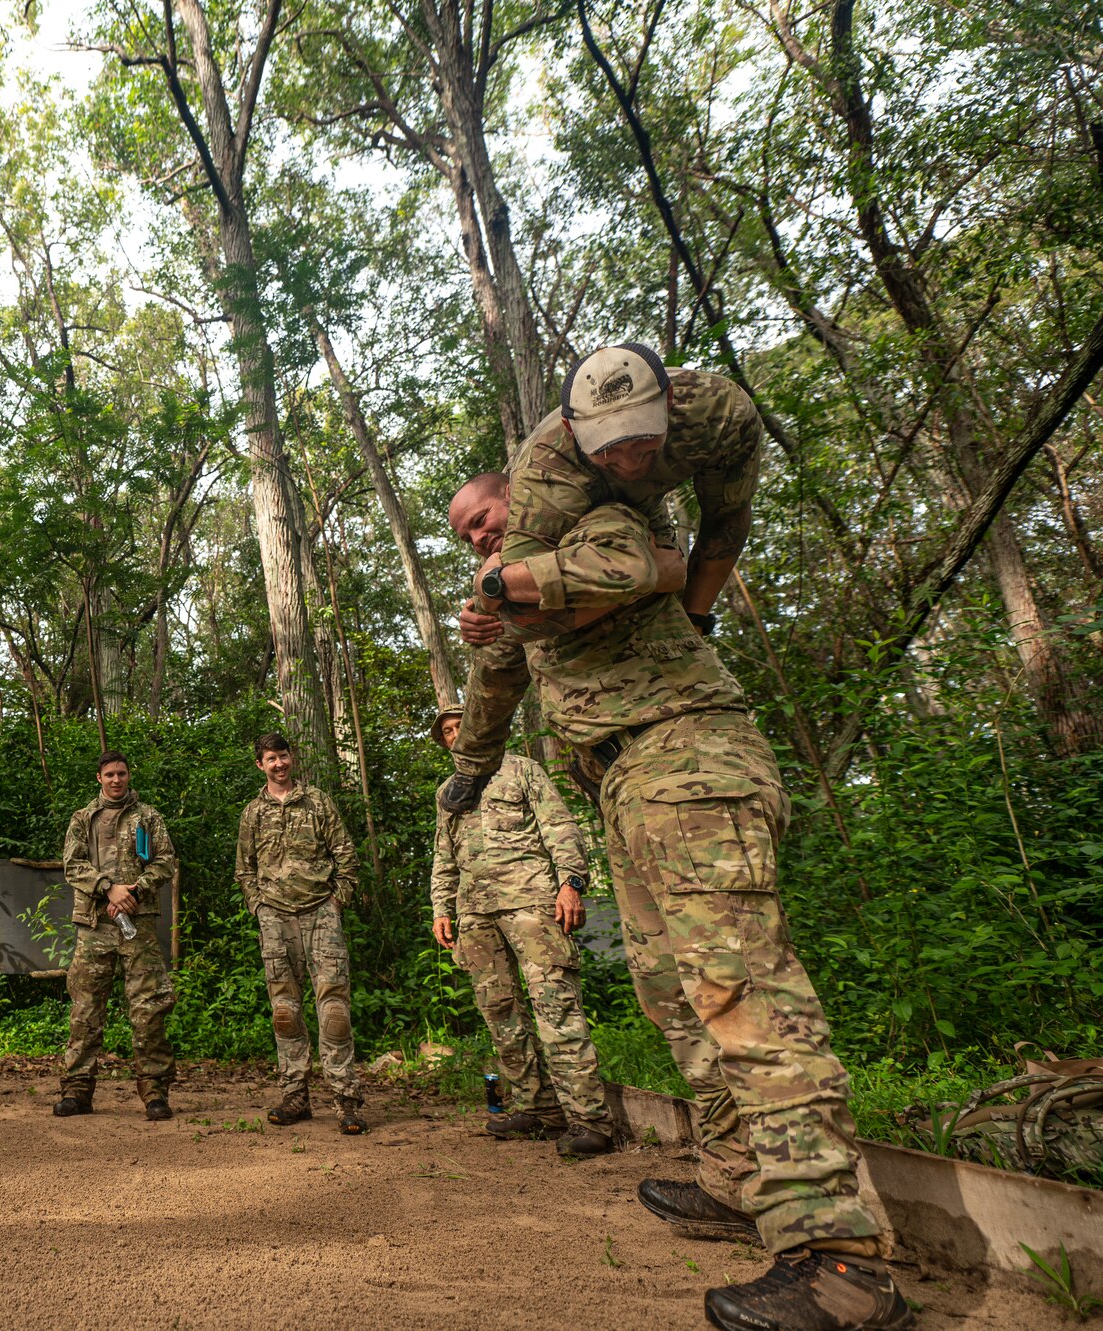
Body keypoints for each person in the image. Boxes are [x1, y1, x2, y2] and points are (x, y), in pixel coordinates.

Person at [440, 479, 909, 1331]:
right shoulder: (518, 599)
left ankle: (844, 1261)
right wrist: (470, 760)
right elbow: (492, 695)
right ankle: (736, 1177)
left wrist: (504, 590)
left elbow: (649, 566)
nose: (479, 539)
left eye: (485, 519)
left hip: (689, 755)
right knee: (670, 992)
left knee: (742, 993)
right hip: (623, 782)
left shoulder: (595, 525)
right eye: (466, 536)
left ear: (521, 495)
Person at [450, 341, 759, 656]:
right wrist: (648, 573)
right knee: (502, 654)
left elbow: (726, 521)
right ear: (572, 429)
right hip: (563, 515)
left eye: (642, 440)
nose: (629, 462)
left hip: (644, 516)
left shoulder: (720, 412)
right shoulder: (545, 467)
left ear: (668, 401)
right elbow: (522, 620)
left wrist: (696, 617)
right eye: (607, 450)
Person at [429, 707, 612, 1158]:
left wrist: (571, 882)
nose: (455, 735)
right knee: (501, 1015)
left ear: (480, 728)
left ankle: (590, 1120)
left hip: (532, 902)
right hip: (476, 914)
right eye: (447, 732)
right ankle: (539, 1109)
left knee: (556, 1008)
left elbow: (560, 827)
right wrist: (441, 907)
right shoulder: (449, 792)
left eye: (461, 726)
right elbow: (444, 855)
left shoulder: (521, 769)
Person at [234, 733, 366, 1135]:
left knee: (334, 1011)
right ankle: (295, 1096)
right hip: (275, 917)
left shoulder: (318, 802)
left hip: (319, 913)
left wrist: (334, 902)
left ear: (292, 759)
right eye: (271, 758)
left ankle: (346, 1101)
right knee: (285, 1011)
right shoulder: (252, 813)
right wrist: (259, 908)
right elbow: (245, 870)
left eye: (284, 756)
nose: (279, 764)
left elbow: (346, 857)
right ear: (260, 764)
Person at [53, 750, 179, 1121]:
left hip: (137, 926)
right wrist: (108, 888)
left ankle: (155, 1093)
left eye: (121, 773)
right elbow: (73, 865)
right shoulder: (82, 818)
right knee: (85, 1012)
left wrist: (135, 891)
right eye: (109, 774)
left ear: (129, 776)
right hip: (94, 926)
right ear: (99, 778)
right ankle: (77, 1092)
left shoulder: (148, 817)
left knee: (148, 1010)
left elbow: (166, 861)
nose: (116, 780)